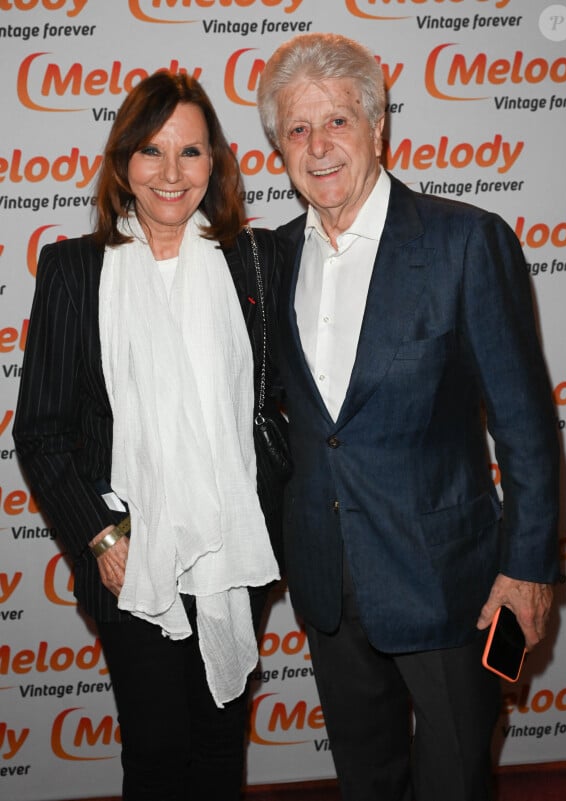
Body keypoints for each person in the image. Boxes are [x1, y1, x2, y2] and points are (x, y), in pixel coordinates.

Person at [257, 32, 560, 801]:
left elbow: (525, 426)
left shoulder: (465, 241)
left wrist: (525, 568)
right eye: (297, 129)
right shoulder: (275, 257)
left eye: (337, 122)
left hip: (448, 582)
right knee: (367, 780)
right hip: (328, 580)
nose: (318, 146)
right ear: (277, 148)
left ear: (378, 127)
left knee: (456, 780)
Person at [13, 71, 286, 801]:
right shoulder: (75, 268)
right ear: (123, 161)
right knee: (159, 757)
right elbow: (40, 430)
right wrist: (101, 540)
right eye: (153, 151)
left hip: (232, 552)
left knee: (221, 751)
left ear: (215, 164)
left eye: (191, 152)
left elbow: (282, 401)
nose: (171, 173)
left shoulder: (252, 262)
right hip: (131, 559)